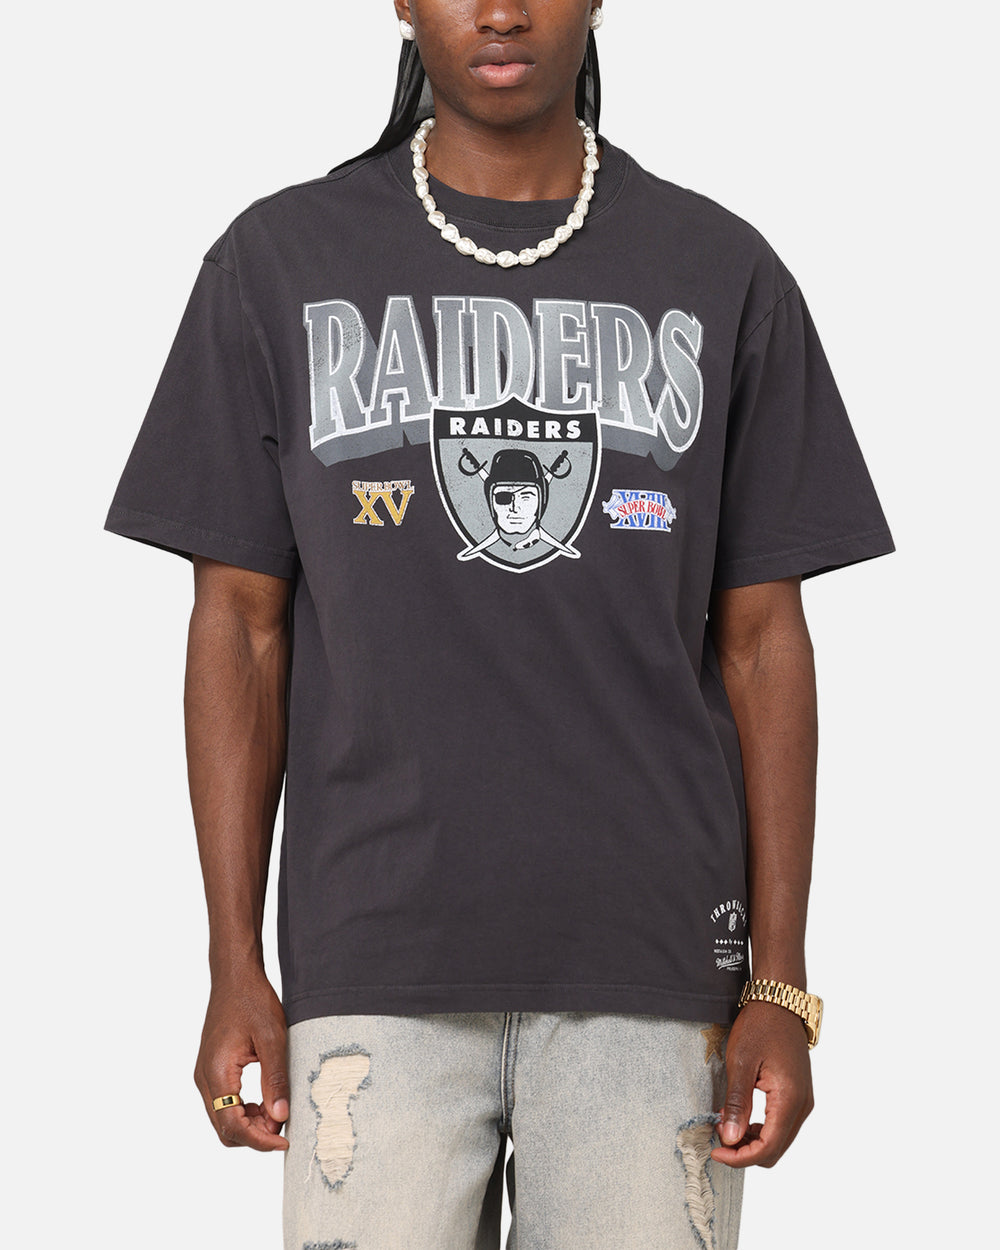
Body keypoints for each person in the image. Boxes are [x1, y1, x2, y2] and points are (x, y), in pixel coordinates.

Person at [104, 3, 894, 1247]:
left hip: (653, 965)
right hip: (373, 960)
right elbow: (239, 629)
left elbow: (762, 644)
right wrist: (231, 961)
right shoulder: (278, 262)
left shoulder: (718, 269)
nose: (502, 8)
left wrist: (780, 985)